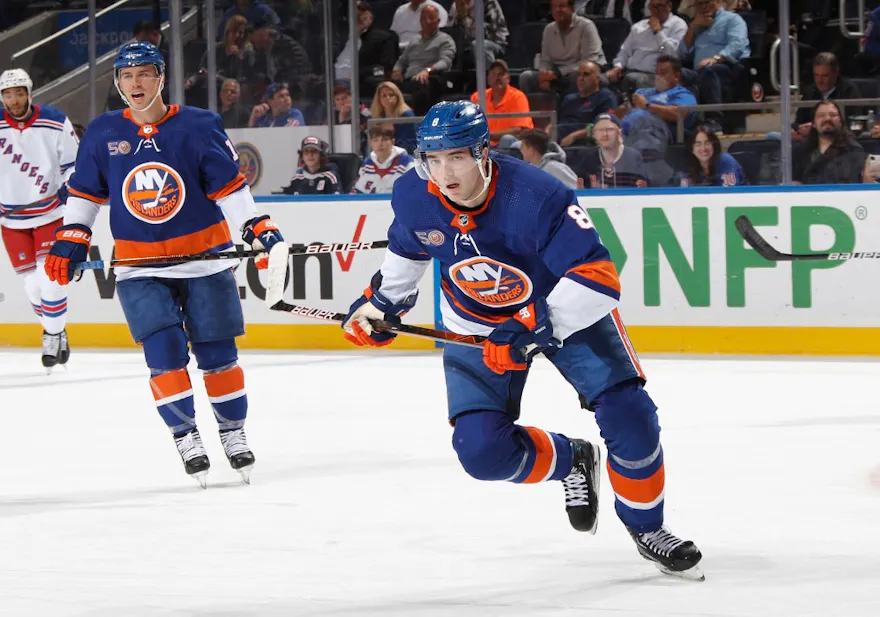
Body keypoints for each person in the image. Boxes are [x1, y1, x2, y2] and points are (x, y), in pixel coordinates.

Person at [341, 100, 704, 581]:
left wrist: (534, 325)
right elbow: (409, 250)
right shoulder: (413, 193)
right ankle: (572, 460)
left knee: (631, 416)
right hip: (476, 325)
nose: (444, 172)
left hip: (565, 312)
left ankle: (647, 527)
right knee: (481, 451)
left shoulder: (537, 195)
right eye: (433, 158)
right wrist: (379, 305)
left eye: (456, 157)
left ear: (483, 152)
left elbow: (598, 277)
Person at [44, 42, 290, 487]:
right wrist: (73, 235)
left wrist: (256, 226)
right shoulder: (101, 132)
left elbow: (230, 190)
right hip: (140, 268)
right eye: (125, 76)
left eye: (143, 74)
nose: (134, 84)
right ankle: (186, 435)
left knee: (218, 357)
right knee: (163, 357)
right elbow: (84, 194)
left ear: (161, 77)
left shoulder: (198, 125)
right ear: (118, 83)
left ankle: (233, 433)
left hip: (205, 261)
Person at [0, 68, 79, 371]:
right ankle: (57, 331)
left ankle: (52, 334)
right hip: (12, 221)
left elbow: (74, 163)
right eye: (8, 94)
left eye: (20, 92)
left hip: (49, 215)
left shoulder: (55, 121)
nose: (15, 99)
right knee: (32, 287)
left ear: (30, 92)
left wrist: (67, 188)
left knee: (50, 279)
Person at [678, 0, 749, 132]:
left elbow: (737, 45)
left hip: (726, 66)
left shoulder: (732, 19)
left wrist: (716, 58)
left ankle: (714, 120)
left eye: (707, 2)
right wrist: (693, 27)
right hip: (699, 70)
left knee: (708, 70)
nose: (704, 7)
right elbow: (683, 53)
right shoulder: (698, 25)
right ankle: (686, 123)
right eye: (699, 4)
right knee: (678, 73)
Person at [518, 0, 605, 95]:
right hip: (556, 76)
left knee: (577, 76)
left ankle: (571, 107)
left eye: (561, 6)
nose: (557, 10)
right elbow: (545, 60)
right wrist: (544, 74)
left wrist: (559, 73)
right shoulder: (549, 29)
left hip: (578, 72)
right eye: (554, 7)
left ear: (572, 8)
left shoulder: (586, 26)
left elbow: (589, 60)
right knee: (526, 77)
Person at [604, 0, 688, 94]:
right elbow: (625, 51)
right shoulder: (639, 26)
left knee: (631, 80)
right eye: (652, 6)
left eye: (659, 6)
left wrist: (658, 33)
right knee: (600, 79)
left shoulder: (678, 25)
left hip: (654, 75)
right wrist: (617, 68)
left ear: (669, 6)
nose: (655, 10)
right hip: (628, 70)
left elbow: (673, 54)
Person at [391, 5, 456, 115]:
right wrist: (396, 71)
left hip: (430, 79)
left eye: (431, 17)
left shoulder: (445, 39)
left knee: (421, 86)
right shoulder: (414, 41)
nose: (427, 21)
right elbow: (401, 61)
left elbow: (445, 61)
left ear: (438, 21)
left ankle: (420, 124)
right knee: (385, 86)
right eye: (423, 18)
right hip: (409, 80)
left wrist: (428, 70)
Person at [792, 100, 869, 185]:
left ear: (840, 122)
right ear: (813, 123)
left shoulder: (853, 150)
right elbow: (795, 182)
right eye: (821, 115)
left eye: (833, 115)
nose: (827, 118)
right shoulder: (802, 150)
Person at [792, 53, 863, 142]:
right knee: (773, 136)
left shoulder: (849, 91)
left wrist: (816, 130)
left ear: (835, 73)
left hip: (839, 141)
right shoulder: (810, 92)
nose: (820, 81)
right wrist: (799, 129)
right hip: (810, 142)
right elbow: (798, 121)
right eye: (816, 75)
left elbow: (853, 124)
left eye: (825, 76)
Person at [469, 59, 533, 146]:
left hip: (509, 146)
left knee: (507, 139)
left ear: (508, 78)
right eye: (493, 74)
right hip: (484, 145)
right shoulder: (477, 97)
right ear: (488, 79)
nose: (497, 78)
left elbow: (519, 130)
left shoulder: (518, 97)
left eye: (501, 74)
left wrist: (489, 135)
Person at [578, 114, 648, 188]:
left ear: (619, 132)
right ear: (594, 134)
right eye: (600, 130)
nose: (605, 134)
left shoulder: (633, 156)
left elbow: (642, 188)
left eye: (610, 129)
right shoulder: (588, 158)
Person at [558, 61, 617, 147]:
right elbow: (559, 124)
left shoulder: (605, 97)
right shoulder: (569, 99)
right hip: (561, 143)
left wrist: (575, 136)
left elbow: (604, 126)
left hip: (586, 145)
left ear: (597, 78)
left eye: (586, 74)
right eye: (579, 75)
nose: (581, 78)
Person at [502, 129, 580, 189]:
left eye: (523, 147)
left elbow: (573, 191)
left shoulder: (554, 168)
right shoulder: (530, 169)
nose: (521, 150)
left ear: (532, 149)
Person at [352, 125, 415, 194]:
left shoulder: (407, 163)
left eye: (385, 139)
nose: (380, 144)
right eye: (375, 140)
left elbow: (416, 191)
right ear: (370, 143)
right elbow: (357, 191)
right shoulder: (367, 165)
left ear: (393, 142)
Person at [679, 124, 746, 186]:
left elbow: (731, 194)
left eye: (707, 143)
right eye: (698, 144)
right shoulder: (688, 166)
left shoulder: (726, 161)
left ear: (714, 145)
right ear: (692, 149)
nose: (703, 148)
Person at [370, 81, 418, 153]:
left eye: (391, 95)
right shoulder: (378, 116)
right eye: (384, 96)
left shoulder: (406, 115)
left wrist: (391, 133)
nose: (388, 98)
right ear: (379, 99)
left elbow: (411, 146)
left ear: (397, 97)